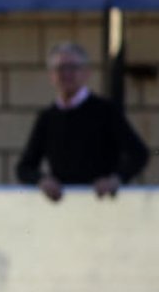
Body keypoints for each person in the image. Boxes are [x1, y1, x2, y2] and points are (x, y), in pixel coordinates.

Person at [15, 41, 149, 201]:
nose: (66, 74)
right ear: (52, 76)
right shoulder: (48, 117)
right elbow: (24, 168)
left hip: (103, 206)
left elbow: (139, 154)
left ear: (86, 73)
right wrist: (42, 180)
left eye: (72, 67)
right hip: (63, 208)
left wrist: (115, 179)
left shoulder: (106, 111)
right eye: (60, 68)